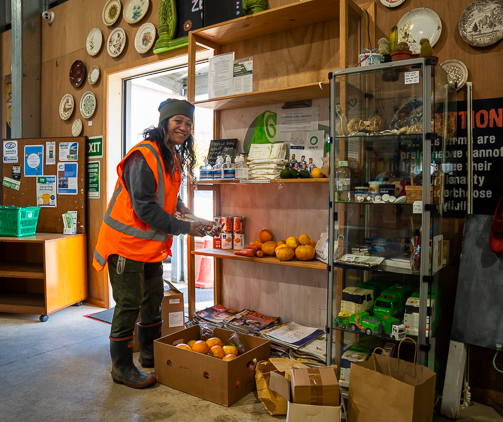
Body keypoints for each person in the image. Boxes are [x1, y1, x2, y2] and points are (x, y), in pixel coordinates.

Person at [93, 98, 209, 389]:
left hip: (149, 248)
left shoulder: (171, 155)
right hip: (124, 245)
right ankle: (121, 367)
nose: (183, 127)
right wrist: (186, 228)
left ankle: (148, 355)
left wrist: (191, 214)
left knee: (152, 300)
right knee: (129, 304)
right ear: (164, 123)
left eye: (188, 123)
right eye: (178, 121)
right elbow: (145, 208)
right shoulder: (143, 156)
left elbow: (169, 197)